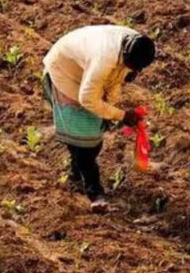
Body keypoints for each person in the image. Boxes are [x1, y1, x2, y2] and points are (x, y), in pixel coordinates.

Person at [42, 25, 156, 211]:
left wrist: (109, 108)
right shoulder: (104, 58)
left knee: (92, 135)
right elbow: (87, 98)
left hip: (87, 71)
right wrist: (121, 115)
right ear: (125, 54)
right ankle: (95, 192)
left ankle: (76, 174)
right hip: (66, 71)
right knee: (83, 139)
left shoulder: (137, 45)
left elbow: (115, 79)